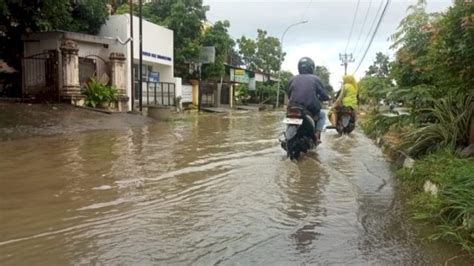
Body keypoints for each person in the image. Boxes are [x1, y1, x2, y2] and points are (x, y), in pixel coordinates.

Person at [287, 57, 331, 143]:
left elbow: (289, 94)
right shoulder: (315, 79)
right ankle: (317, 135)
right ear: (311, 67)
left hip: (292, 108)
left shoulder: (292, 79)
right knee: (322, 115)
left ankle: (287, 137)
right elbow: (323, 94)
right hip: (310, 110)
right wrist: (326, 98)